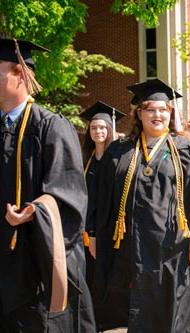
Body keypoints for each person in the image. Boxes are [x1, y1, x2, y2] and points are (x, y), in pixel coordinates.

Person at [92, 79, 190, 333]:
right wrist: (97, 234)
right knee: (138, 309)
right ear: (139, 113)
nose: (158, 115)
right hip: (132, 246)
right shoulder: (120, 151)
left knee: (176, 310)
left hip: (176, 247)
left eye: (163, 109)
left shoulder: (189, 149)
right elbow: (103, 197)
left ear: (170, 113)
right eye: (151, 109)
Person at [0, 38, 95, 332]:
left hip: (35, 260)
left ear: (20, 74)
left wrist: (32, 211)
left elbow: (69, 195)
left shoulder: (51, 126)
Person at [79, 101, 125, 291]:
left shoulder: (117, 159)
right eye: (93, 128)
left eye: (102, 127)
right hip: (89, 224)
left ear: (109, 129)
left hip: (112, 223)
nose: (97, 131)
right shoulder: (85, 158)